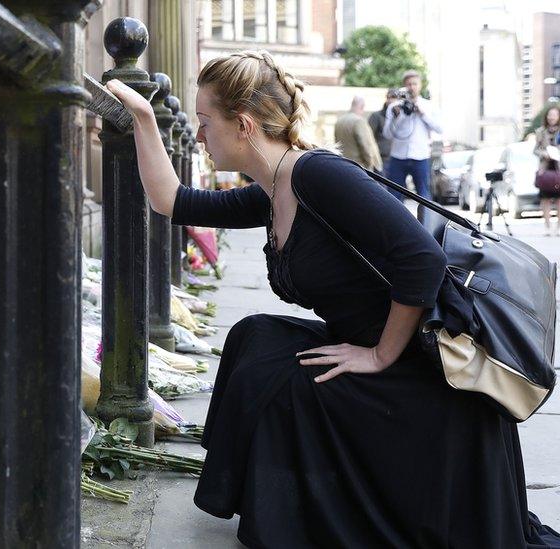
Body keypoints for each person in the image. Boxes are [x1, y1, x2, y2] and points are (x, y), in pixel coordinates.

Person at [106, 51, 560, 548]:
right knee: (253, 337)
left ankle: (302, 519)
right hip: (369, 348)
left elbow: (422, 261)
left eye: (203, 122)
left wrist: (379, 354)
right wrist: (144, 119)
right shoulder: (275, 187)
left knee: (283, 382)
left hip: (420, 373)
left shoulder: (318, 174)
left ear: (243, 125)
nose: (197, 136)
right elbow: (172, 200)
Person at [383, 70, 441, 201]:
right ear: (404, 86)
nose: (411, 87)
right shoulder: (394, 107)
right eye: (408, 84)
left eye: (414, 84)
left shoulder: (428, 106)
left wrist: (423, 114)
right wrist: (396, 118)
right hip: (398, 156)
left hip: (420, 156)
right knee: (393, 197)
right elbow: (387, 134)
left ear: (420, 85)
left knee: (424, 197)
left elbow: (440, 129)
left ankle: (423, 222)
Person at [334, 95, 383, 171]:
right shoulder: (359, 121)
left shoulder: (339, 121)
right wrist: (370, 164)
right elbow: (366, 146)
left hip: (342, 165)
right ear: (362, 107)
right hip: (358, 167)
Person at [368, 89, 399, 169]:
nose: (390, 100)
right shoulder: (376, 116)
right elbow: (369, 138)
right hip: (382, 159)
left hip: (399, 158)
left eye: (393, 97)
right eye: (388, 97)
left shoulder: (403, 117)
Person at [534, 105, 560, 169]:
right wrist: (544, 154)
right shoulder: (540, 132)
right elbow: (535, 150)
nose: (551, 118)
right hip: (545, 169)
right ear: (546, 117)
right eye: (550, 115)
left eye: (554, 115)